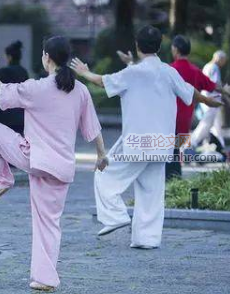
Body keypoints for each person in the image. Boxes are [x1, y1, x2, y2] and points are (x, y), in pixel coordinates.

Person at [70, 25, 222, 249]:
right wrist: (210, 101)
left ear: (137, 46)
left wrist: (84, 72)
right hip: (163, 144)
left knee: (104, 176)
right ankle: (147, 239)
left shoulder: (132, 73)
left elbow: (102, 81)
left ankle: (115, 217)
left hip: (137, 142)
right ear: (160, 47)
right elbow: (191, 92)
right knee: (151, 192)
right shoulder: (169, 72)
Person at [0, 37, 107, 291]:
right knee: (49, 223)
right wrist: (101, 155)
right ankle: (45, 279)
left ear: (46, 57)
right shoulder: (80, 90)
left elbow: (2, 92)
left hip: (34, 159)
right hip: (62, 167)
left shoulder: (37, 88)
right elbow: (93, 128)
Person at [166, 36, 230, 179]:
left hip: (168, 118)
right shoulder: (195, 70)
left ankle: (168, 180)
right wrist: (226, 91)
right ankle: (175, 178)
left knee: (167, 153)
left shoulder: (169, 70)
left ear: (175, 50)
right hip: (185, 119)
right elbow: (213, 85)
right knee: (176, 151)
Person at [191, 50, 229, 152]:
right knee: (206, 124)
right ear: (219, 58)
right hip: (212, 100)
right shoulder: (214, 67)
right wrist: (226, 91)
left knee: (216, 126)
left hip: (208, 98)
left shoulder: (207, 66)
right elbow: (215, 85)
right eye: (224, 60)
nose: (224, 63)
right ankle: (191, 143)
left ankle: (220, 146)